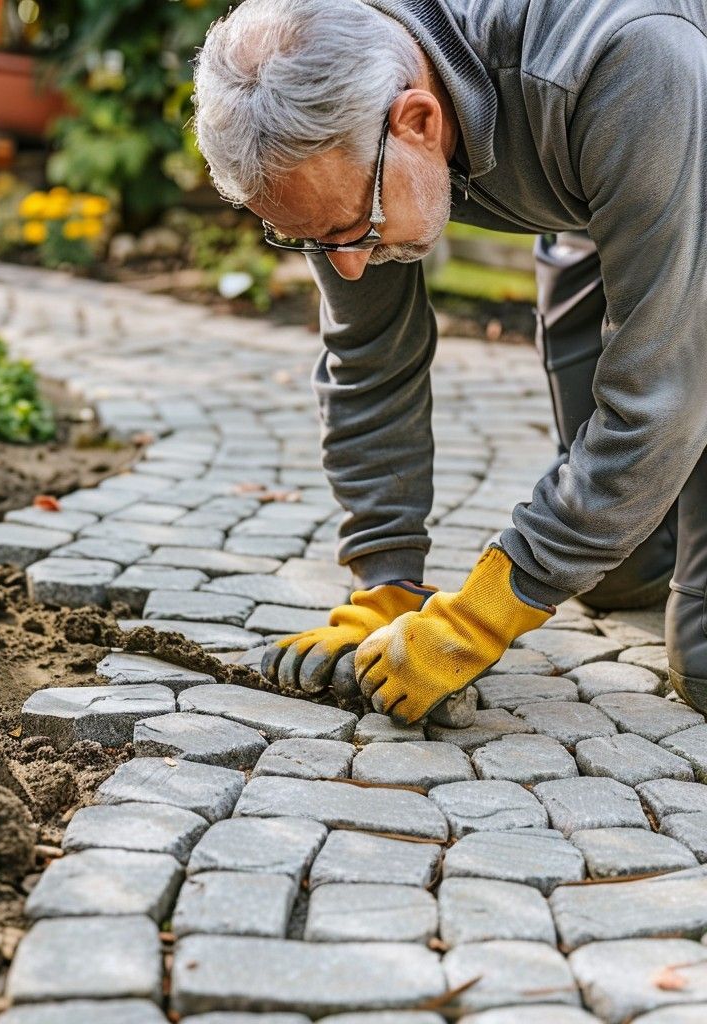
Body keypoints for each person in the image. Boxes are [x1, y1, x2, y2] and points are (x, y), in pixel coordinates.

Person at [192, 0, 707, 723]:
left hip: (666, 130)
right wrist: (386, 582)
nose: (346, 267)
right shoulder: (339, 102)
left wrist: (486, 611)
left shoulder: (629, 60)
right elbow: (371, 358)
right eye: (309, 240)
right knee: (616, 570)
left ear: (419, 122)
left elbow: (663, 397)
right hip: (601, 177)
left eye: (352, 231)